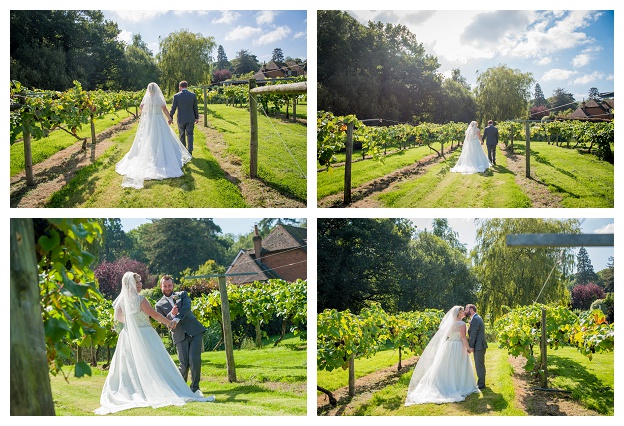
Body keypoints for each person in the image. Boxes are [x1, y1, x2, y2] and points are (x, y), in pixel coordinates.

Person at [94, 272, 214, 415]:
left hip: (129, 336)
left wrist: (132, 324)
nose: (140, 284)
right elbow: (155, 315)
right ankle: (159, 390)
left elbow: (119, 317)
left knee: (132, 365)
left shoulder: (121, 301)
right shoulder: (140, 300)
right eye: (137, 282)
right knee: (156, 363)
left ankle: (137, 391)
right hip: (145, 334)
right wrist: (169, 322)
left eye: (140, 282)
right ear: (131, 284)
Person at [115, 82, 191, 189]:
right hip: (159, 120)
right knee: (163, 138)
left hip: (149, 120)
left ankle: (152, 155)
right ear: (156, 89)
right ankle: (161, 156)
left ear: (149, 90)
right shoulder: (159, 98)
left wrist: (147, 113)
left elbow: (141, 107)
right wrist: (169, 118)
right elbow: (164, 109)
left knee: (149, 138)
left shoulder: (146, 99)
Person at [405, 306, 480, 405]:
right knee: (457, 365)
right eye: (462, 311)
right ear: (458, 313)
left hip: (448, 345)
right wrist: (468, 348)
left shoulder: (449, 324)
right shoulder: (461, 324)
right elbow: (463, 337)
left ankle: (445, 384)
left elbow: (448, 335)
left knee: (447, 366)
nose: (464, 313)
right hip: (457, 346)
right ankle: (458, 385)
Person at [155, 275, 206, 393]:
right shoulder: (159, 305)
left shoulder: (182, 295)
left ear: (173, 286)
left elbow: (187, 308)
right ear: (161, 287)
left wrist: (176, 318)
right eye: (165, 286)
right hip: (178, 335)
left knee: (194, 359)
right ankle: (180, 389)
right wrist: (171, 315)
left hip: (194, 330)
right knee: (183, 364)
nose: (167, 288)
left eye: (169, 285)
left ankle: (195, 388)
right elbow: (163, 321)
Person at [169, 80, 199, 156]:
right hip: (190, 118)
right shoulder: (193, 95)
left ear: (180, 87)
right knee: (190, 134)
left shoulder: (176, 96)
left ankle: (183, 151)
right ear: (187, 86)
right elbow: (195, 108)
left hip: (181, 119)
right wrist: (196, 117)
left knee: (181, 135)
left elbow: (173, 108)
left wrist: (170, 117)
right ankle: (190, 150)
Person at [465, 304, 487, 389]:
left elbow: (473, 335)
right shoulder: (476, 318)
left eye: (466, 309)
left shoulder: (475, 319)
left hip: (479, 346)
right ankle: (482, 382)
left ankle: (481, 384)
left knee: (479, 365)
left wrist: (471, 346)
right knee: (480, 365)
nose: (465, 311)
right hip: (480, 345)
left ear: (471, 309)